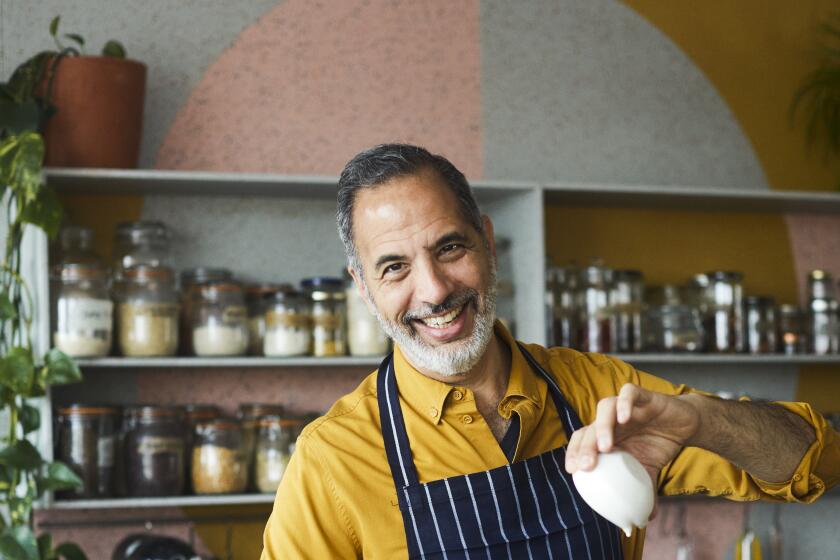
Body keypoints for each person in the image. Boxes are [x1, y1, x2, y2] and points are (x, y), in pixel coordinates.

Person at [261, 144, 839, 559]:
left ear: (487, 244)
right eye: (395, 268)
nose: (434, 290)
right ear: (363, 287)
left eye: (451, 247)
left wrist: (702, 419)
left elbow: (819, 462)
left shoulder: (600, 392)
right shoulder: (333, 460)